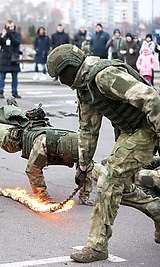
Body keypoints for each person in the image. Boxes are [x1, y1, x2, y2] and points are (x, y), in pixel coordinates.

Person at [46, 44, 160, 263]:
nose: (61, 80)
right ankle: (157, 209)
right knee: (113, 182)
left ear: (70, 67)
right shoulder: (85, 88)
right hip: (130, 132)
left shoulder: (104, 76)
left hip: (148, 128)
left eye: (61, 74)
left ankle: (97, 245)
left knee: (109, 180)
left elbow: (152, 99)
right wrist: (83, 166)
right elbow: (88, 129)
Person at [0, 99, 93, 205]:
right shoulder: (43, 144)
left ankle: (14, 107)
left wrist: (84, 195)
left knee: (86, 168)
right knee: (8, 143)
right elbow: (32, 169)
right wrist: (43, 196)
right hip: (24, 137)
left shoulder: (82, 147)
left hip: (43, 129)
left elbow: (88, 169)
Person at [0, 20, 22, 99]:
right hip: (4, 59)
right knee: (2, 77)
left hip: (14, 58)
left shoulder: (17, 35)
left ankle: (14, 92)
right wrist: (2, 36)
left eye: (12, 27)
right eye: (9, 27)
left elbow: (17, 43)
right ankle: (1, 91)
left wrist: (11, 36)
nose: (10, 28)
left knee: (15, 77)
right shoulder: (3, 35)